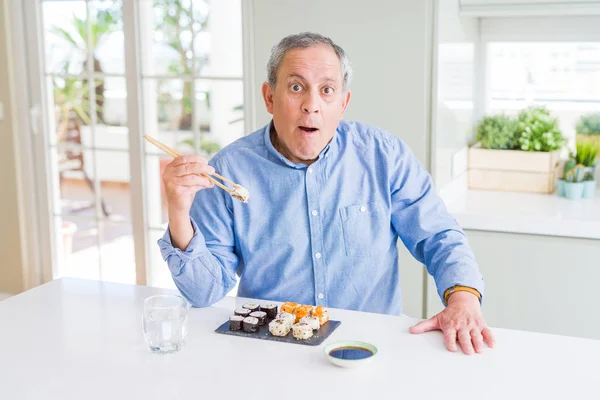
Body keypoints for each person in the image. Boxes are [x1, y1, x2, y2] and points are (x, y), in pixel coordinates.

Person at [158, 32, 495, 355]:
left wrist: (463, 299)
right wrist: (178, 211)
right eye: (295, 87)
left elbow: (438, 235)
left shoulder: (383, 155)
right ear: (269, 98)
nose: (311, 105)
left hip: (369, 346)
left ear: (343, 103)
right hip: (268, 350)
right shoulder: (229, 171)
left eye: (327, 90)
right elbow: (203, 293)